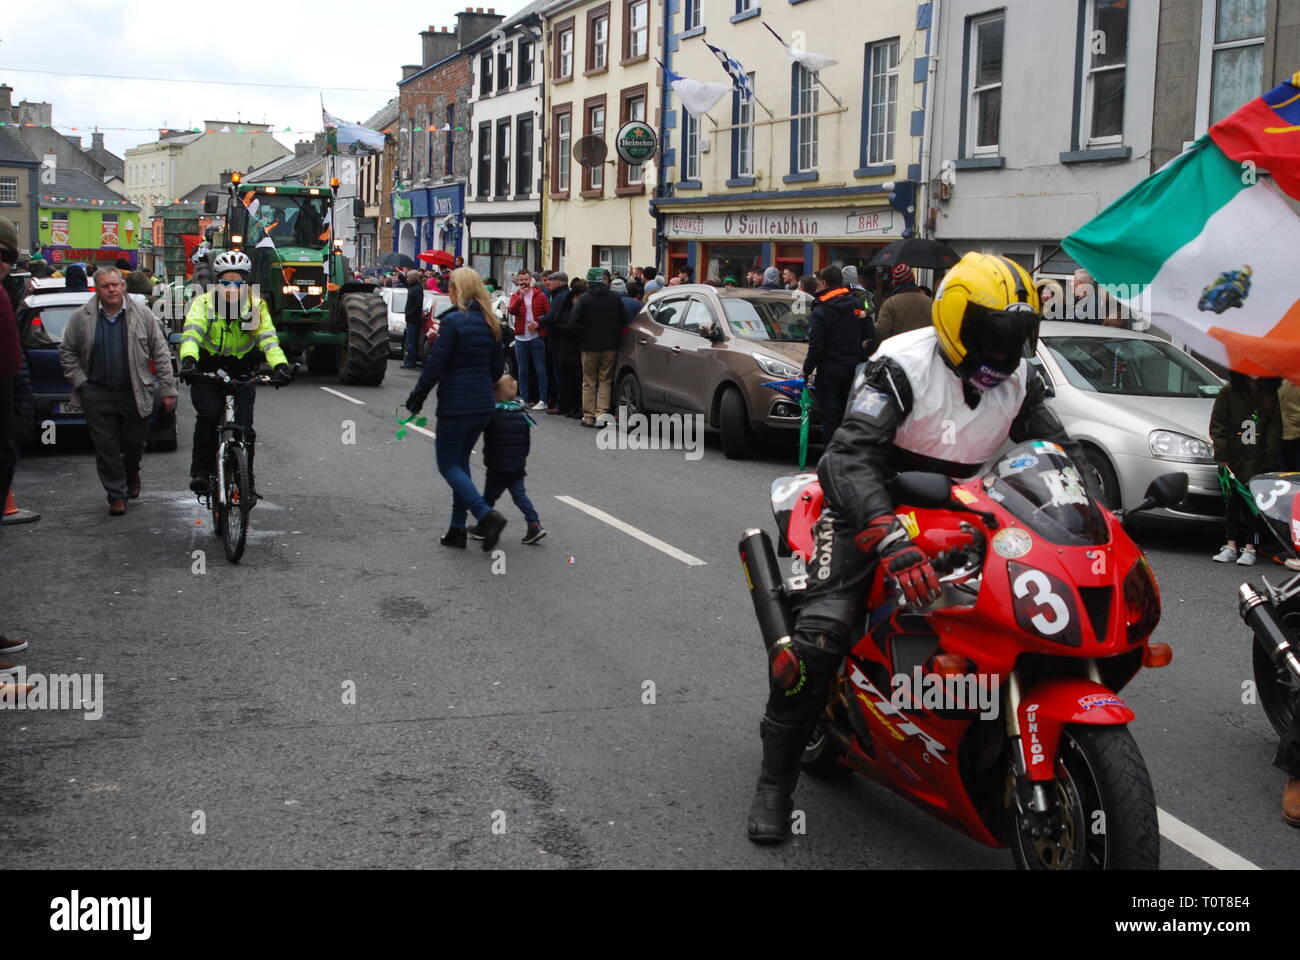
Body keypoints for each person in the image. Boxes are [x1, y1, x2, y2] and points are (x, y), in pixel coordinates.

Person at [746, 252, 1101, 843]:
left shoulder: (1020, 377)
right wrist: (887, 537)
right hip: (869, 501)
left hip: (961, 504)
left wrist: (1096, 515)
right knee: (822, 636)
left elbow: (1058, 454)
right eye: (993, 333)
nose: (1004, 350)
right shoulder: (899, 366)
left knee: (1018, 615)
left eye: (1017, 335)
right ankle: (774, 785)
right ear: (957, 323)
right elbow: (849, 456)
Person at [58, 268, 178, 514]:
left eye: (115, 285)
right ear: (97, 289)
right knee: (107, 447)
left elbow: (161, 352)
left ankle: (132, 470)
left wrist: (168, 389)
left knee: (134, 442)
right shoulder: (82, 317)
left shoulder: (142, 314)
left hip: (135, 390)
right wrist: (82, 382)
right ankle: (116, 495)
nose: (111, 290)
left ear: (123, 286)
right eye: (105, 286)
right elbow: (67, 351)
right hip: (97, 393)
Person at [405, 267, 508, 551]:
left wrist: (417, 397)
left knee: (448, 464)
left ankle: (486, 516)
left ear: (456, 291)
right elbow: (497, 369)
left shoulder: (453, 323)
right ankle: (456, 529)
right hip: (483, 405)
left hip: (456, 404)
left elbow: (435, 366)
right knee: (460, 465)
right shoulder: (491, 323)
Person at [177, 251, 291, 501]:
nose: (232, 288)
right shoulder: (204, 304)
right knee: (208, 416)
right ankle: (201, 472)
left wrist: (280, 365)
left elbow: (268, 339)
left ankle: (246, 482)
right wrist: (189, 360)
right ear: (217, 283)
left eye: (237, 283)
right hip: (207, 372)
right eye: (226, 283)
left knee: (245, 431)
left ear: (246, 284)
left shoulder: (255, 305)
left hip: (242, 372)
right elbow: (192, 334)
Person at [1209, 373, 1282, 566]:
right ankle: (1230, 545)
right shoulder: (1228, 392)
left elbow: (1274, 429)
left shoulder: (1269, 393)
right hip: (1232, 458)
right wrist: (1223, 455)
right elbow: (1218, 424)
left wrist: (1268, 458)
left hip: (1257, 460)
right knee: (1231, 502)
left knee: (1253, 506)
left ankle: (1251, 547)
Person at [802, 266, 872, 448]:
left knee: (830, 418)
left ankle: (832, 457)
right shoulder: (856, 304)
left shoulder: (821, 309)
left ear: (824, 283)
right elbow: (868, 332)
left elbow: (816, 344)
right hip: (853, 368)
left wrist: (807, 369)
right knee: (847, 415)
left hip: (830, 371)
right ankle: (848, 454)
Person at [473, 374, 546, 545]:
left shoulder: (492, 413)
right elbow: (526, 442)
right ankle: (534, 524)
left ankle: (482, 527)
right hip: (516, 466)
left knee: (488, 498)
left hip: (496, 466)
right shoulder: (522, 415)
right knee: (520, 496)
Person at [572, 267, 625, 428]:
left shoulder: (584, 299)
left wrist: (582, 334)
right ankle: (602, 413)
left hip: (589, 346)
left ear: (589, 281)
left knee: (588, 381)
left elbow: (573, 322)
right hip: (610, 345)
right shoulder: (615, 298)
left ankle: (588, 416)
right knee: (605, 380)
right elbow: (623, 319)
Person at [508, 269, 550, 411]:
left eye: (526, 279)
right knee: (523, 370)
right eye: (521, 280)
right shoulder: (516, 295)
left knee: (540, 369)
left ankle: (543, 399)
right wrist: (520, 297)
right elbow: (512, 310)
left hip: (536, 337)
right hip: (521, 337)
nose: (524, 283)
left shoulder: (540, 295)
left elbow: (548, 314)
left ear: (530, 279)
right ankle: (524, 398)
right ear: (518, 281)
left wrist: (538, 324)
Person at [551, 276, 585, 418]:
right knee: (567, 378)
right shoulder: (567, 303)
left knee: (577, 379)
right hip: (565, 346)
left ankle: (576, 407)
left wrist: (568, 328)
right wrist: (567, 328)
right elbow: (557, 322)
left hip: (577, 346)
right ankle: (570, 406)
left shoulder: (581, 305)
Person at [873, 263, 933, 344]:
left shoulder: (890, 303)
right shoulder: (930, 303)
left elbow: (881, 333)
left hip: (898, 352)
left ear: (895, 283)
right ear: (913, 280)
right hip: (924, 351)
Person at [402, 269, 426, 369]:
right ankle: (409, 360)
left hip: (413, 319)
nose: (407, 279)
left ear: (412, 278)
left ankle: (411, 362)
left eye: (408, 277)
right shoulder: (413, 287)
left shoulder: (417, 289)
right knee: (409, 341)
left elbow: (418, 304)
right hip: (411, 319)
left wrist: (410, 313)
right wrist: (401, 277)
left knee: (411, 341)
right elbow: (407, 285)